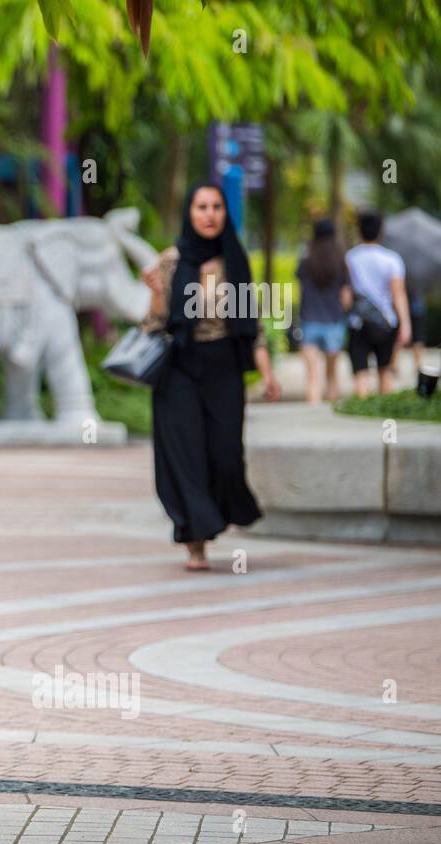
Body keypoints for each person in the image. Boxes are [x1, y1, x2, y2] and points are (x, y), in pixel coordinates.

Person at [140, 183, 280, 571]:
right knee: (187, 455)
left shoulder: (235, 259)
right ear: (189, 212)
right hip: (180, 367)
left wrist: (266, 374)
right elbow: (153, 327)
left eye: (216, 206)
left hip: (224, 367)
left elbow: (252, 325)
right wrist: (154, 294)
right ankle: (195, 542)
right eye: (201, 207)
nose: (209, 214)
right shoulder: (171, 260)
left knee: (224, 454)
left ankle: (221, 513)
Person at [346, 211, 412, 398]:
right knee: (386, 372)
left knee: (361, 373)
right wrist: (405, 325)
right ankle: (384, 417)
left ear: (359, 230)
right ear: (380, 232)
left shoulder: (350, 258)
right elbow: (398, 295)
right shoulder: (392, 259)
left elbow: (346, 295)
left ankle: (361, 417)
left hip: (358, 323)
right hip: (385, 322)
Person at [295, 219, 352, 404]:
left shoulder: (305, 262)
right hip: (334, 322)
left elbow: (300, 292)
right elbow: (346, 299)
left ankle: (313, 417)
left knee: (312, 378)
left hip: (309, 321)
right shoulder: (341, 263)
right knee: (332, 377)